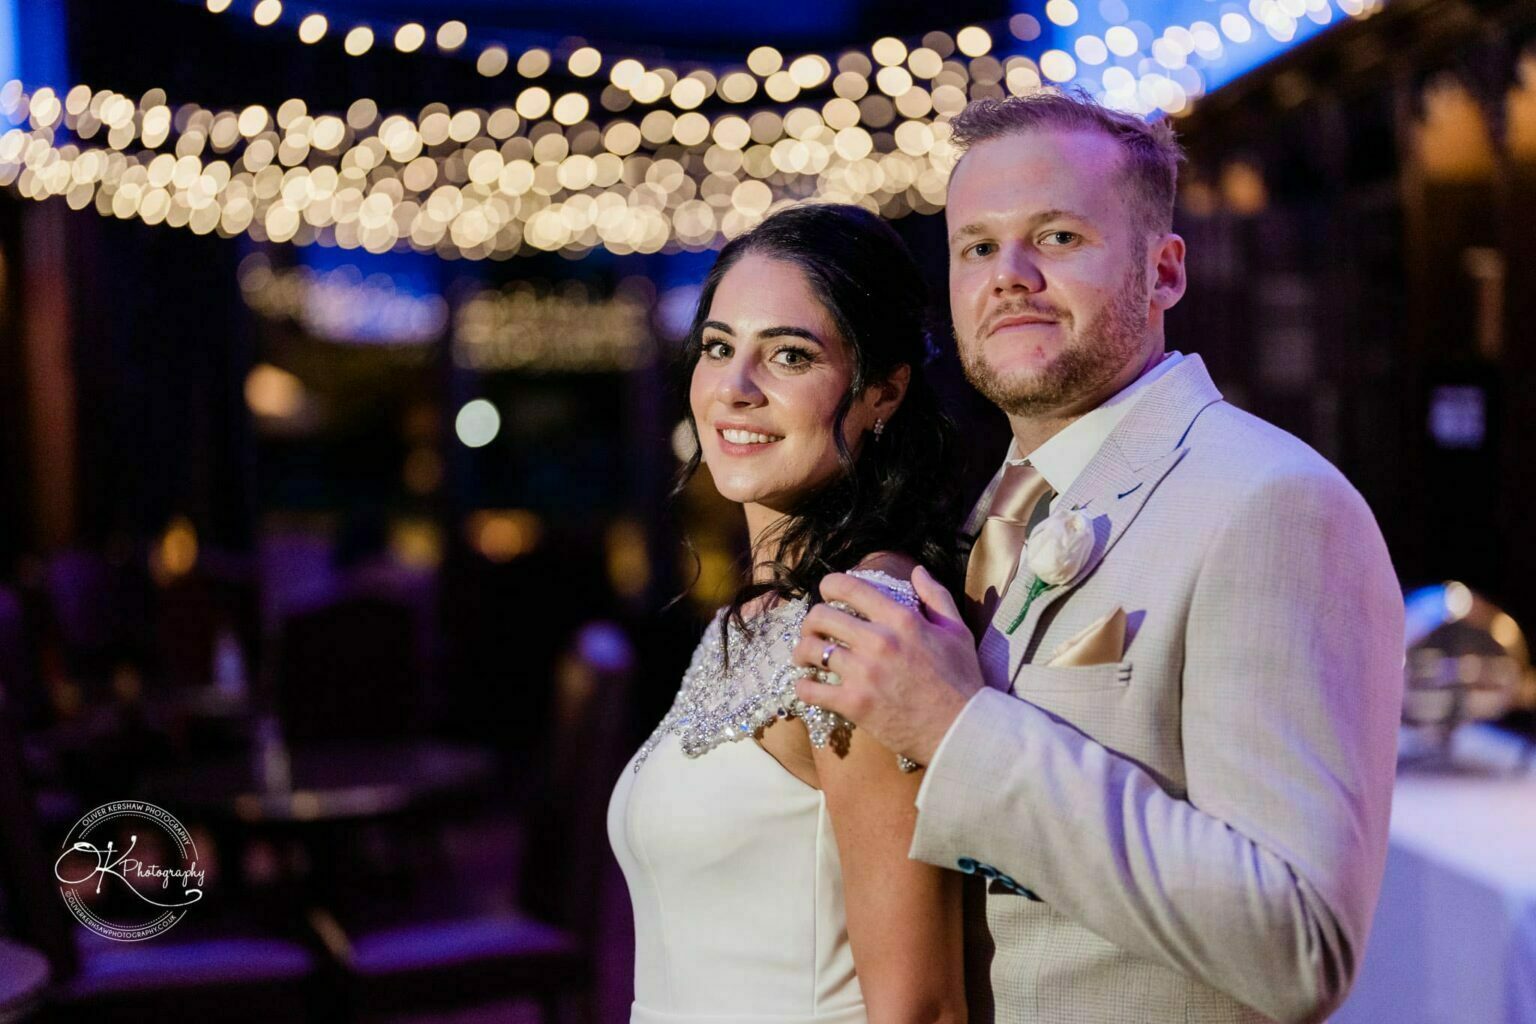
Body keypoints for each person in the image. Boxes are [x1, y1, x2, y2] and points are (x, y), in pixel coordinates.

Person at [792, 93, 1405, 1024]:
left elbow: (1297, 943)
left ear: (1164, 273)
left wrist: (959, 729)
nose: (1011, 276)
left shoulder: (1272, 503)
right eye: (978, 247)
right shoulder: (988, 510)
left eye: (1060, 238)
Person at [608, 202, 969, 1024]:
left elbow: (923, 1007)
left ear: (882, 391)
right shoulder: (754, 616)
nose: (735, 389)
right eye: (718, 347)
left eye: (790, 355)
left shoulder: (866, 624)